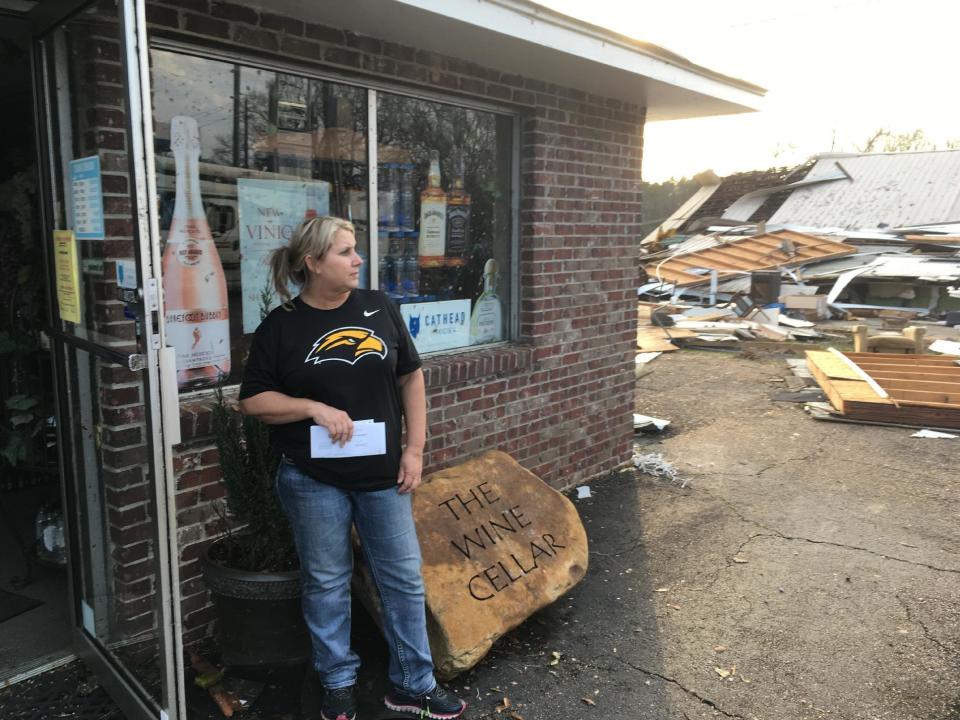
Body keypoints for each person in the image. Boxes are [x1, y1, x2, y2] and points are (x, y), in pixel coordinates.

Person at [238, 216, 466, 720]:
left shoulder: (379, 307)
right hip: (311, 477)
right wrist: (311, 407)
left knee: (403, 578)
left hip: (383, 473)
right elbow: (252, 400)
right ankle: (337, 681)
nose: (357, 259)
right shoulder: (282, 326)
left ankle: (413, 683)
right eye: (345, 252)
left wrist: (415, 449)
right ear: (313, 263)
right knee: (326, 581)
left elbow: (411, 378)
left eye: (355, 250)